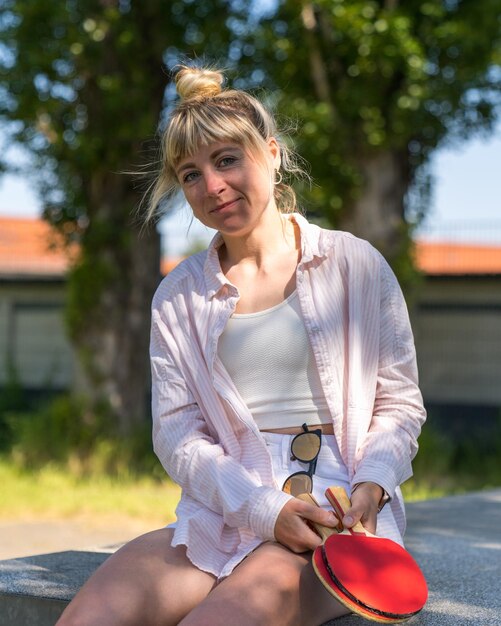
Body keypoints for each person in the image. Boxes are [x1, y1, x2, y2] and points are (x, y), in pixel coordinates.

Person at [57, 65, 426, 626]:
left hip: (335, 524)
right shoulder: (177, 296)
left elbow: (399, 404)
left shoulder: (355, 264)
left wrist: (371, 487)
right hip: (224, 513)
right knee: (91, 616)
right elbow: (178, 434)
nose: (212, 186)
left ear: (272, 154)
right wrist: (261, 508)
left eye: (227, 159)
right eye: (189, 174)